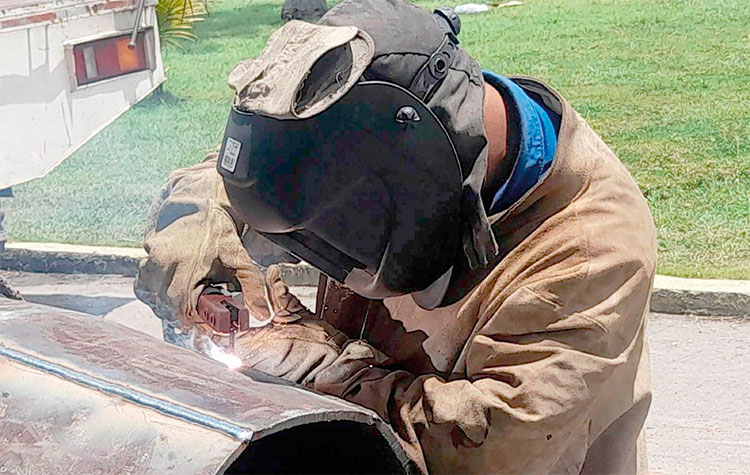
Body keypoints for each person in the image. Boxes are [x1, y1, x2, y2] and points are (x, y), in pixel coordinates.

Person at [135, 0, 656, 472]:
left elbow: (487, 447)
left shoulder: (590, 254)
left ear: (414, 179)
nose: (340, 267)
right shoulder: (384, 131)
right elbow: (240, 176)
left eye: (345, 245)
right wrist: (197, 246)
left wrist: (307, 358)